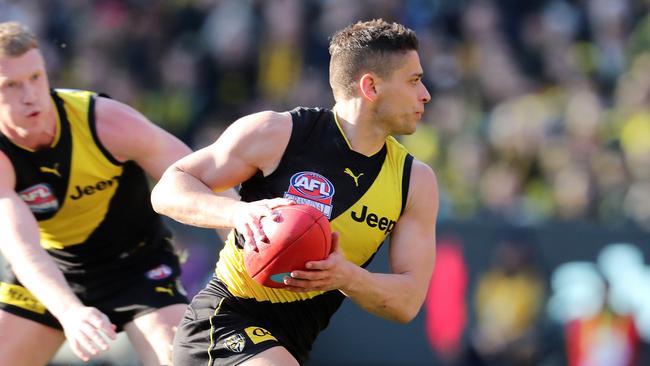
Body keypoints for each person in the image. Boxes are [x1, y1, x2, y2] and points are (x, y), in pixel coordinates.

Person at [151, 18, 439, 365]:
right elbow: (168, 188)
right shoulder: (278, 133)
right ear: (371, 87)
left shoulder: (415, 181)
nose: (426, 94)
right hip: (222, 323)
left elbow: (407, 302)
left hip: (292, 345)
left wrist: (348, 276)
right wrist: (240, 213)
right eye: (414, 81)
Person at [0, 21, 191, 366]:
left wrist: (242, 237)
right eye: (10, 85)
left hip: (137, 265)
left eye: (35, 78)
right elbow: (23, 251)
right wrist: (71, 313)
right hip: (55, 271)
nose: (30, 95)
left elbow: (199, 179)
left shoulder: (103, 121)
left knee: (177, 360)